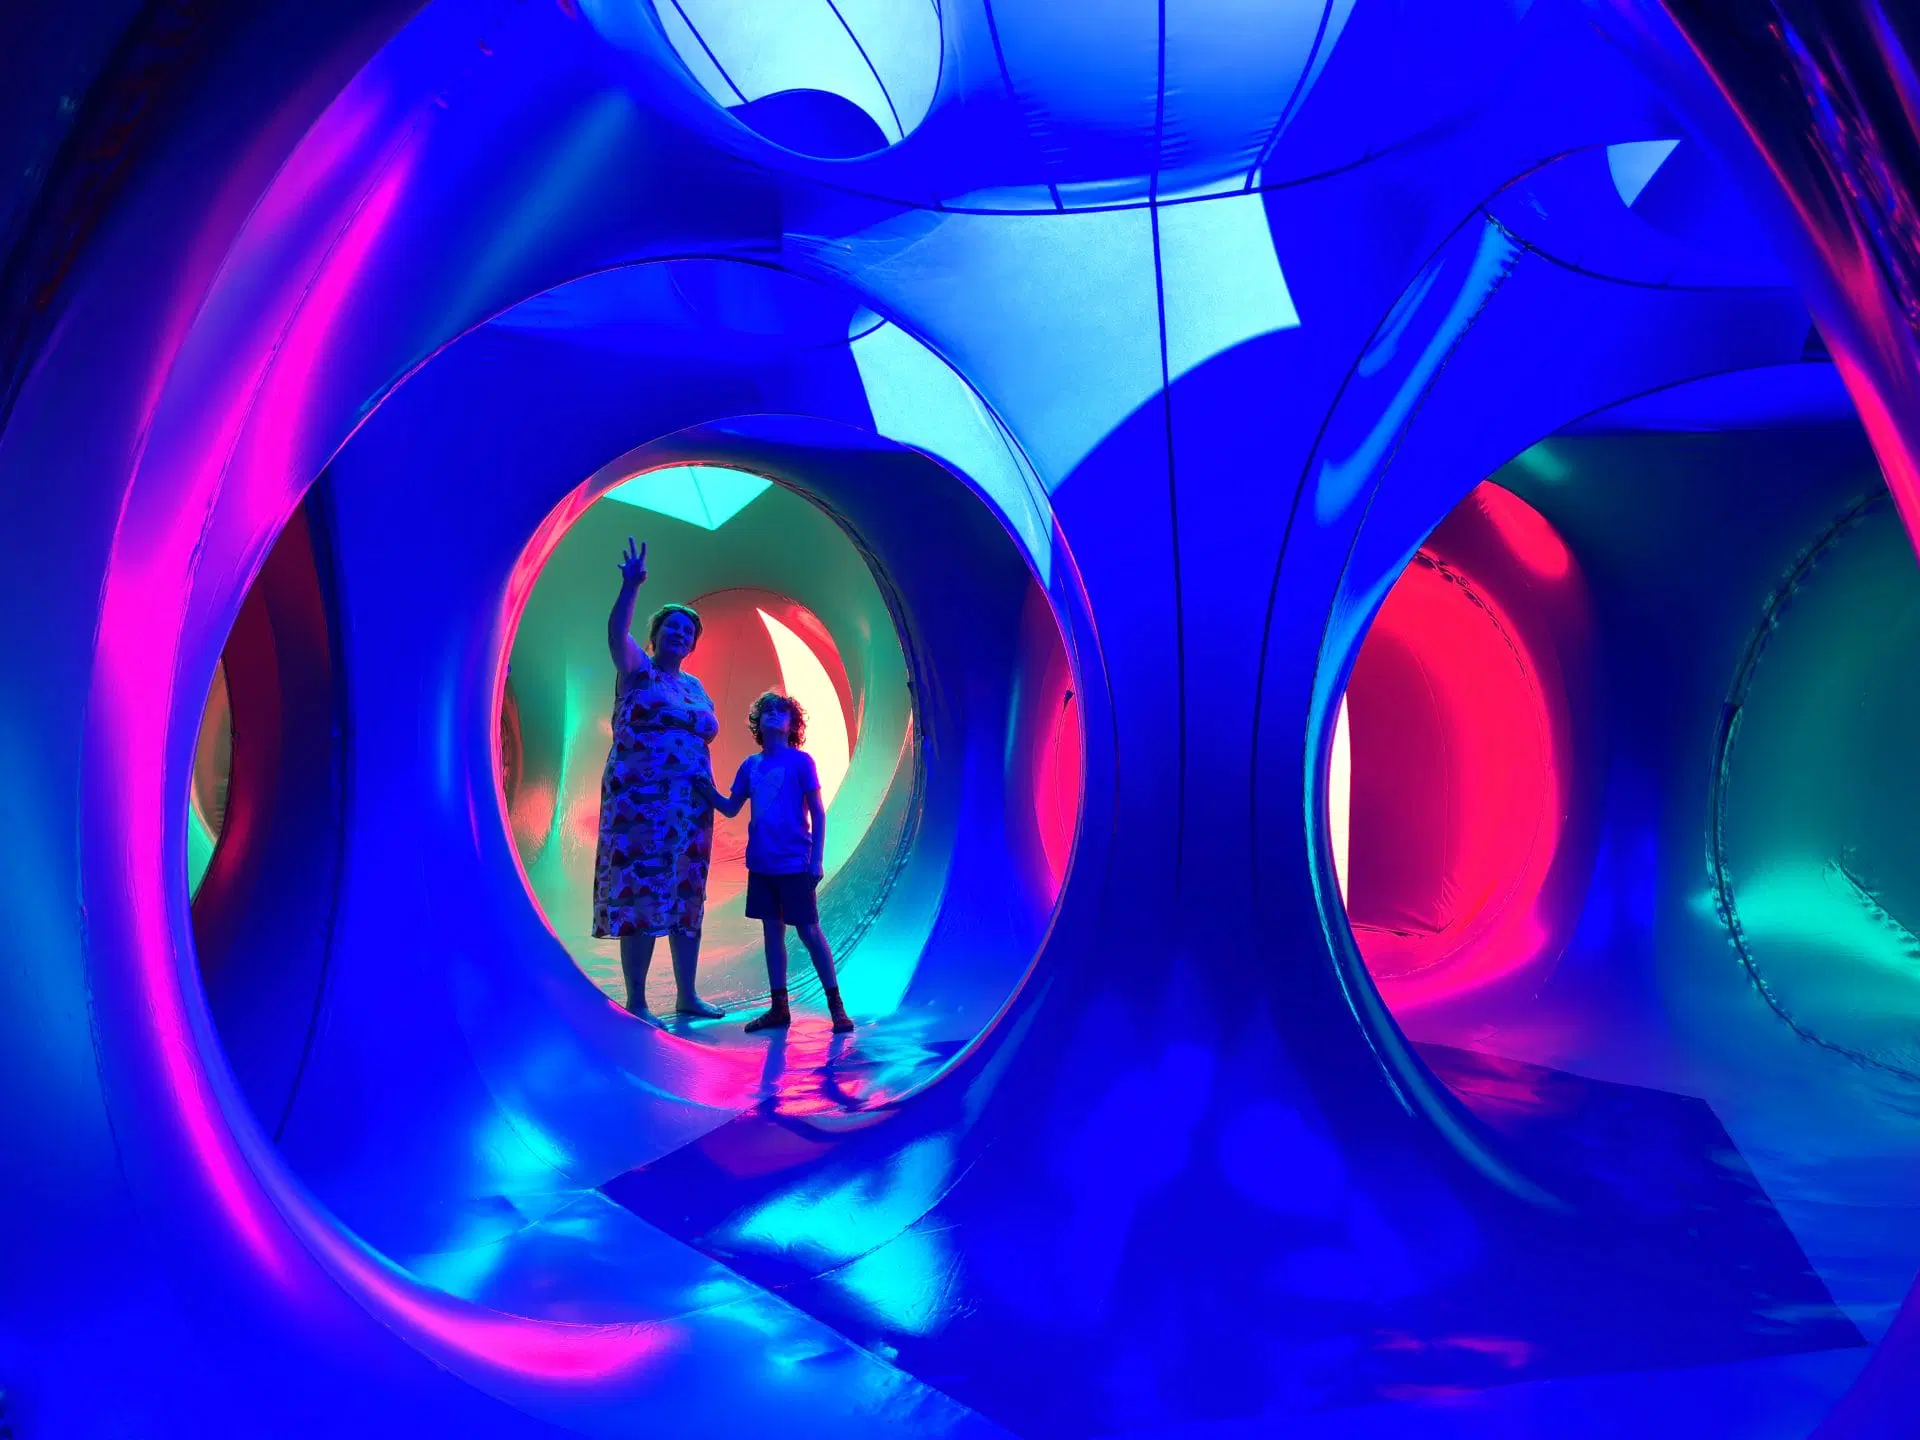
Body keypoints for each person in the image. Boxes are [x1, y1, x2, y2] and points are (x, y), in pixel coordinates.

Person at [591, 536, 725, 1022]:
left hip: (689, 809)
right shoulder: (637, 670)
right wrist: (631, 586)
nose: (680, 634)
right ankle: (638, 1001)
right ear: (655, 634)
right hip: (641, 809)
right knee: (641, 895)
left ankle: (687, 995)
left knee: (687, 895)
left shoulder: (695, 686)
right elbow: (615, 632)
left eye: (688, 631)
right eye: (672, 626)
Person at [703, 691, 854, 1034]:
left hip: (795, 863)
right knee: (772, 934)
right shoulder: (750, 766)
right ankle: (779, 1008)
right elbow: (731, 808)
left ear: (792, 725)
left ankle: (836, 1006)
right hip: (762, 865)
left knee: (809, 931)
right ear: (757, 723)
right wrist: (706, 788)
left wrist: (816, 860)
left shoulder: (801, 762)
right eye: (766, 710)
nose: (772, 714)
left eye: (780, 711)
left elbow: (817, 812)